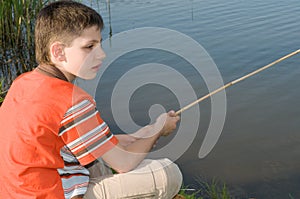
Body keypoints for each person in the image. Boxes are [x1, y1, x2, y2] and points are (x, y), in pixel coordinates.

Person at [0, 1, 183, 199]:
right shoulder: (71, 101)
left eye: (99, 44)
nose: (102, 54)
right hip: (50, 194)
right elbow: (123, 163)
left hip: (14, 192)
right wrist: (158, 130)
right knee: (166, 172)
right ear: (58, 52)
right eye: (89, 47)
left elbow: (78, 142)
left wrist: (142, 134)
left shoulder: (23, 82)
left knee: (101, 157)